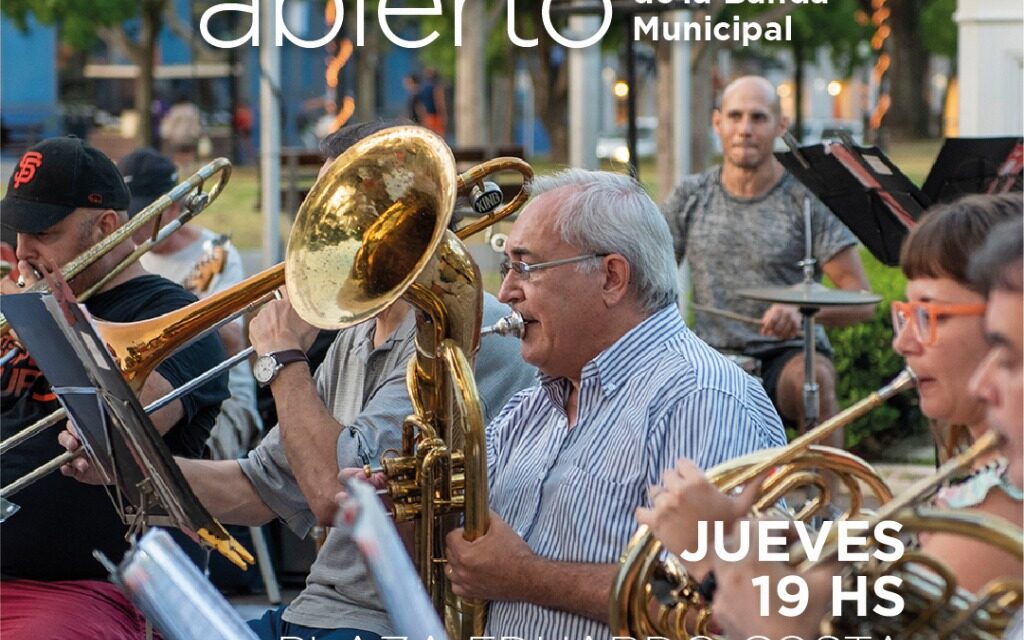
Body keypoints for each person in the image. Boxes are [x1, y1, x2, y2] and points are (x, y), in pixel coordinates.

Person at [62, 121, 537, 640]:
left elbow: (334, 496)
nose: (327, 232)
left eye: (346, 208)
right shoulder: (357, 335)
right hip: (317, 613)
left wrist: (284, 359)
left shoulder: (465, 330)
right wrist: (127, 466)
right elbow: (259, 487)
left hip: (387, 623)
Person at [639, 193, 1024, 637]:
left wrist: (712, 556)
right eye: (905, 315)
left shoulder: (998, 508)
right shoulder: (977, 474)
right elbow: (887, 588)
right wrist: (810, 545)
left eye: (927, 314)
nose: (902, 343)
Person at [432, 168, 786, 639]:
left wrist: (526, 576)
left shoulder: (701, 397)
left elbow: (719, 610)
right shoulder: (533, 404)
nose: (506, 293)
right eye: (507, 266)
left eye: (526, 267)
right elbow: (473, 552)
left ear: (612, 277)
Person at [0, 136, 229, 639]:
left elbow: (122, 432)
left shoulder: (171, 318)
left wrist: (47, 329)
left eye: (43, 232)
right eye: (18, 233)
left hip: (90, 590)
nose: (22, 252)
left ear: (107, 226)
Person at [662, 75, 874, 446]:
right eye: (735, 116)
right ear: (718, 123)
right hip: (709, 354)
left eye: (758, 118)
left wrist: (803, 311)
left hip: (787, 355)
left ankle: (825, 503)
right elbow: (651, 275)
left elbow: (860, 298)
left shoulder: (806, 200)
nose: (745, 129)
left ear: (781, 125)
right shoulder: (691, 195)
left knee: (816, 381)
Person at [118, 147, 263, 462]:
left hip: (219, 402)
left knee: (163, 458)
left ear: (172, 208)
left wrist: (171, 308)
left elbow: (230, 340)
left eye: (142, 214)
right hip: (152, 395)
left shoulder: (215, 253)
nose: (130, 225)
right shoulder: (125, 256)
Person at [159, 94, 203, 171]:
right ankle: (188, 167)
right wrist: (197, 133)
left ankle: (181, 168)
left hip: (177, 136)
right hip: (189, 136)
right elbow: (196, 124)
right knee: (188, 151)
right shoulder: (192, 109)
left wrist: (166, 134)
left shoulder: (174, 110)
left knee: (179, 152)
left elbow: (169, 123)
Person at [419, 68, 447, 137]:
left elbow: (421, 104)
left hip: (427, 115)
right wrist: (443, 114)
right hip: (435, 115)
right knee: (439, 136)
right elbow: (439, 102)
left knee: (429, 136)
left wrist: (422, 116)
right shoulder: (437, 87)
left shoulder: (423, 88)